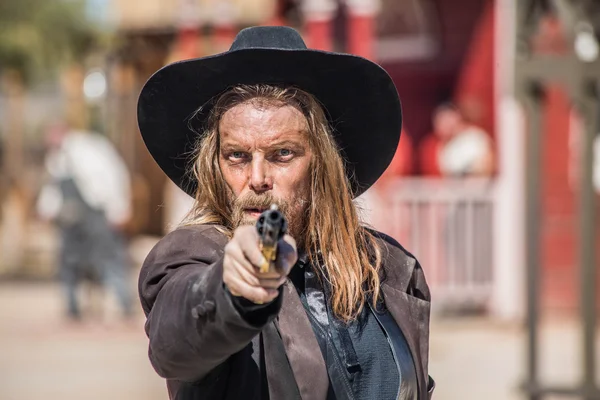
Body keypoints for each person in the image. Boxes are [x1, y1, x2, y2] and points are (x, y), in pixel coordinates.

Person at [137, 26, 434, 400]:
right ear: (215, 165)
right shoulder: (193, 254)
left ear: (321, 164)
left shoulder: (388, 267)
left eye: (282, 154)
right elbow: (175, 341)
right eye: (237, 156)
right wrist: (232, 287)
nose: (257, 178)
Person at [36, 125, 134, 321]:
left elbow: (113, 177)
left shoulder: (90, 148)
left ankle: (123, 304)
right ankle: (72, 308)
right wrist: (45, 209)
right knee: (69, 263)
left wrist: (119, 208)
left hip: (96, 214)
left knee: (108, 259)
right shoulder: (57, 157)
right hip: (71, 221)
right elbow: (53, 188)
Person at [419, 103, 494, 177]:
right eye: (441, 121)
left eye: (448, 119)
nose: (445, 125)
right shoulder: (433, 147)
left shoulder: (475, 137)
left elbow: (486, 165)